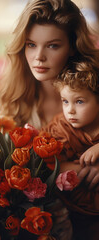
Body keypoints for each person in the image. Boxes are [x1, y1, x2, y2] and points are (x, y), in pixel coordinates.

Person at [0, 0, 99, 239]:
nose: (39, 57)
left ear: (72, 46)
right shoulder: (16, 101)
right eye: (31, 44)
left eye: (53, 46)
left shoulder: (95, 87)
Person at [43, 61, 99, 240]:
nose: (70, 110)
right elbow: (51, 166)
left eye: (80, 101)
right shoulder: (61, 129)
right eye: (65, 101)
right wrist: (87, 168)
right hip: (71, 209)